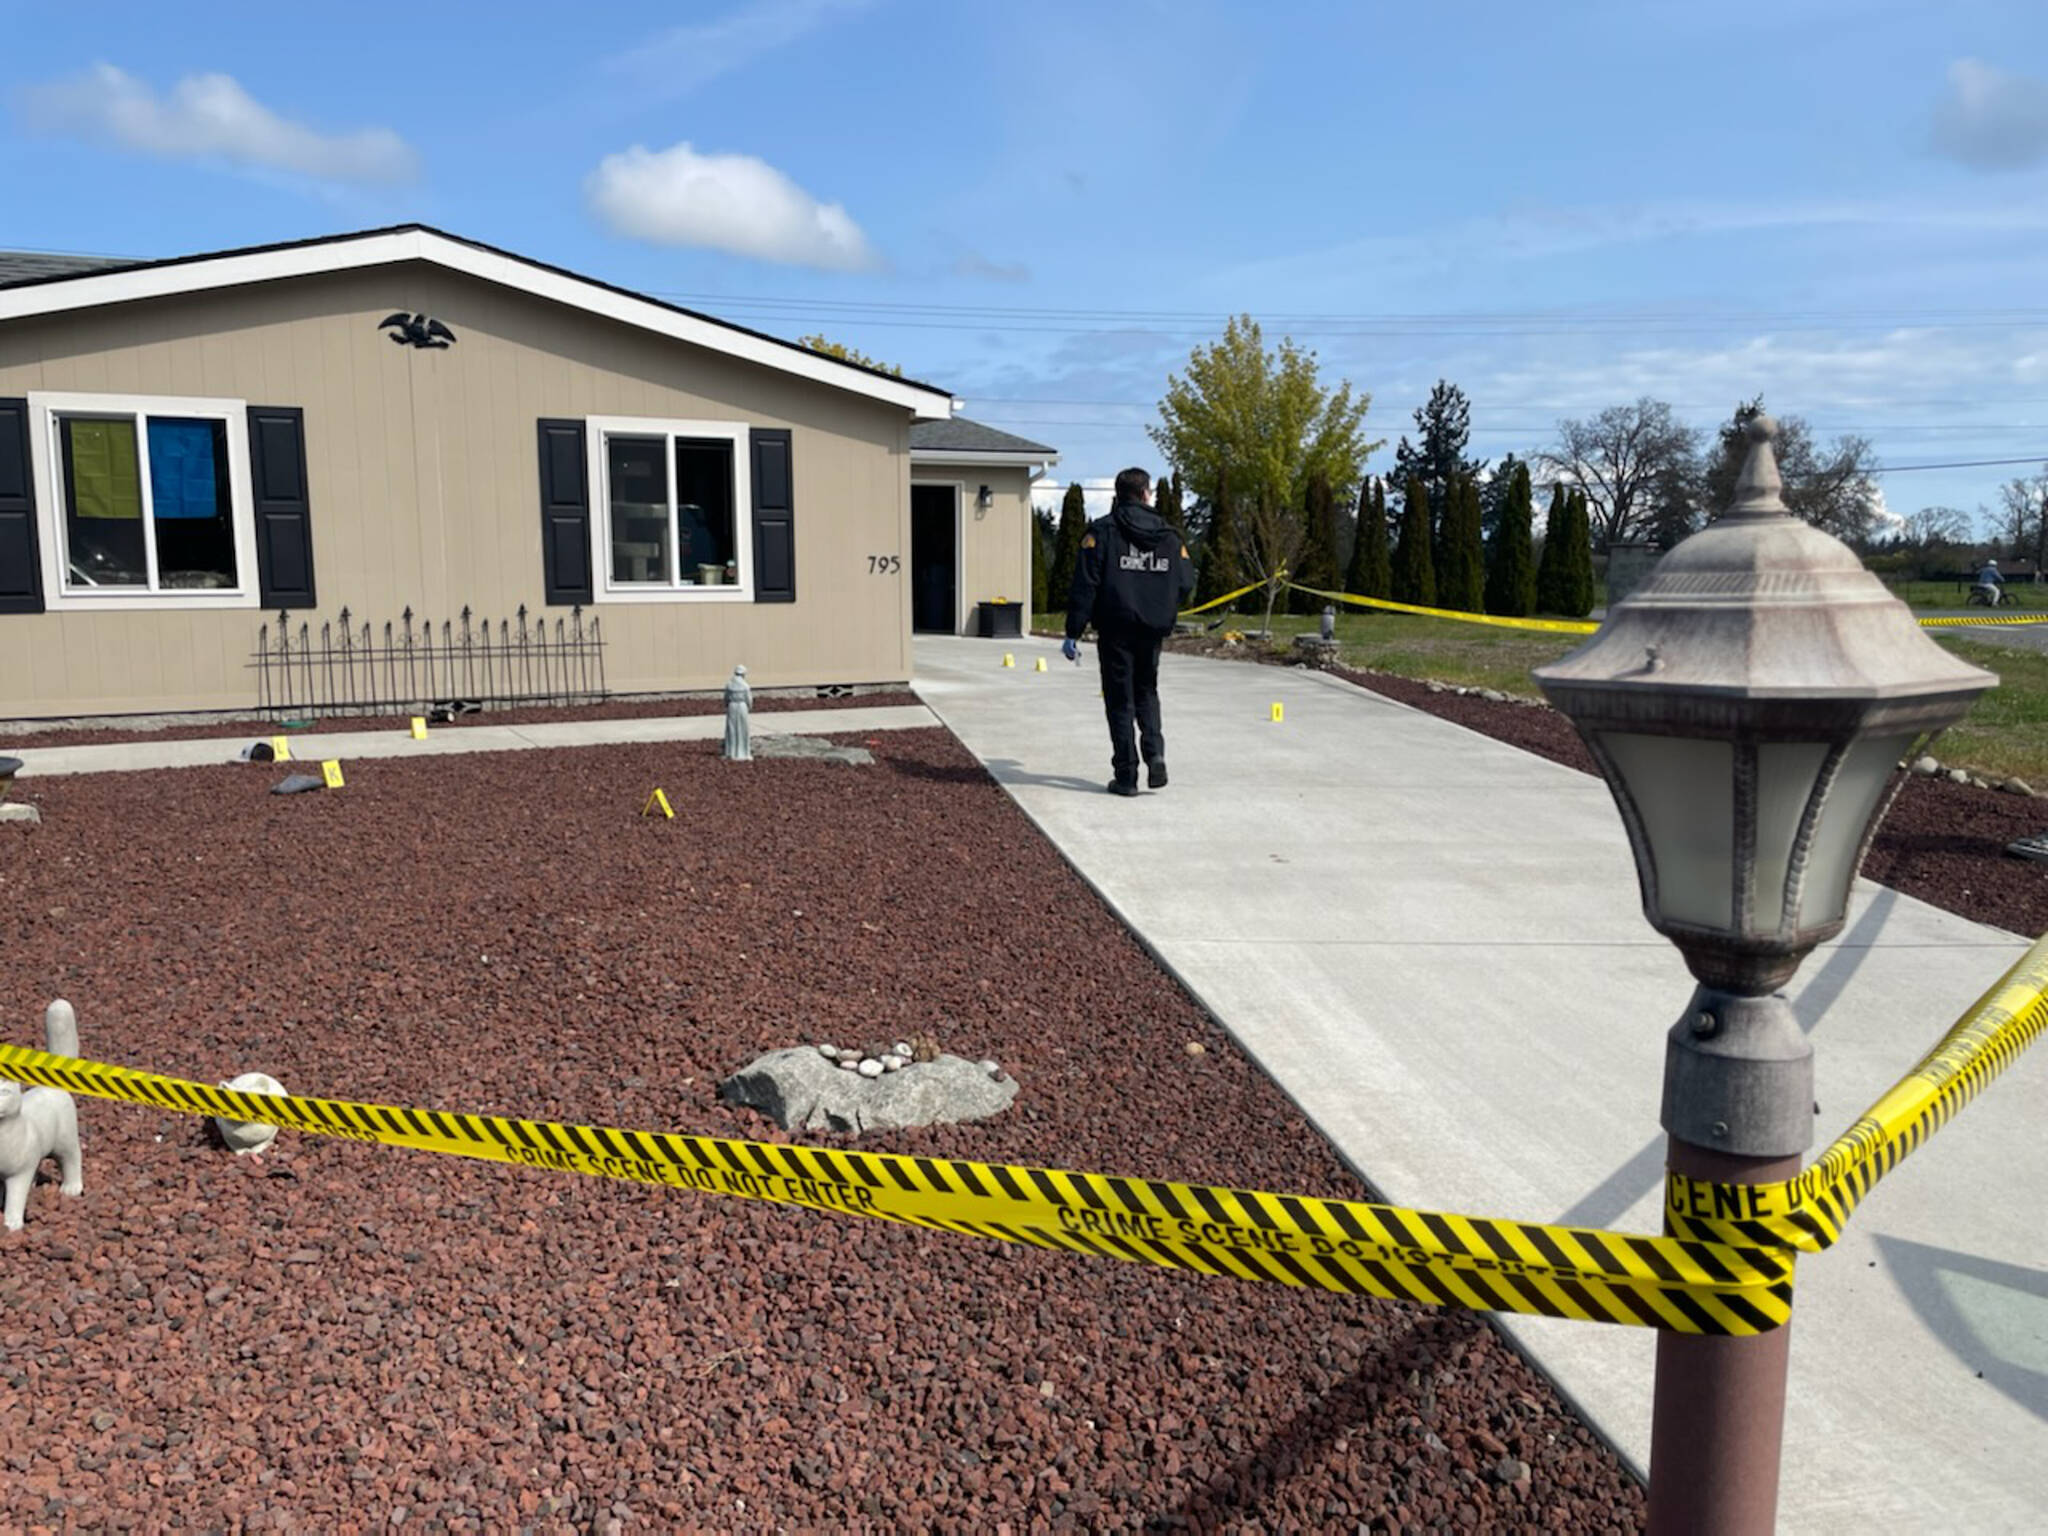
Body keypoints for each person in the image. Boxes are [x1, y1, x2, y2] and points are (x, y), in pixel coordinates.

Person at [1062, 468, 1196, 796]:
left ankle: (1126, 775)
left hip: (1115, 628)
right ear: (1146, 493)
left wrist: (1073, 631)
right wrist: (1161, 604)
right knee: (1147, 691)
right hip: (1152, 629)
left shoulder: (1102, 532)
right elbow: (1186, 581)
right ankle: (1155, 754)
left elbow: (1086, 584)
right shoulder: (1169, 536)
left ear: (1118, 494)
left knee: (1120, 699)